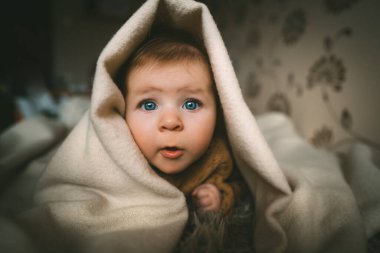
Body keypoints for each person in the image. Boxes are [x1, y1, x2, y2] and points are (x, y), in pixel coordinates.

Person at [116, 28, 244, 216]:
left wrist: (219, 196)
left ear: (219, 110)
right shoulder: (118, 154)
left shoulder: (219, 156)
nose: (170, 122)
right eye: (149, 105)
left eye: (191, 104)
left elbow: (242, 186)